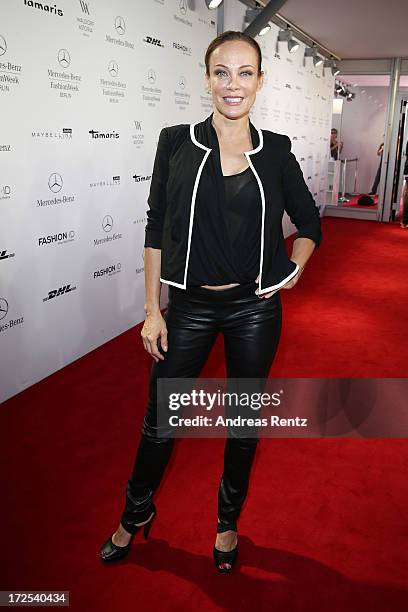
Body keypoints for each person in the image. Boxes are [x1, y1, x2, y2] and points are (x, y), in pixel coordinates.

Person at [100, 30, 322, 573]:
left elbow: (311, 224)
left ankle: (227, 525)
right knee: (160, 422)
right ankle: (134, 514)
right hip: (190, 307)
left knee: (243, 423)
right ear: (206, 78)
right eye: (222, 72)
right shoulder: (175, 142)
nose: (233, 84)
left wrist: (295, 268)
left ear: (260, 82)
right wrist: (153, 310)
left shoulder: (277, 152)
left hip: (254, 309)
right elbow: (155, 228)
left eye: (245, 73)